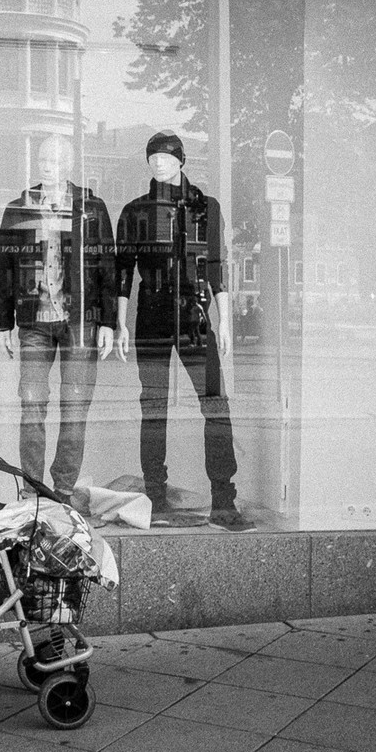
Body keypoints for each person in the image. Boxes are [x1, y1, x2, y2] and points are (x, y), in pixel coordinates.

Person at [115, 131, 254, 531]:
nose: (158, 163)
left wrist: (224, 320)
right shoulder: (136, 211)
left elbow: (215, 266)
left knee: (215, 403)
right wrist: (120, 321)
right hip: (152, 316)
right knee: (153, 406)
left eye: (165, 156)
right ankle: (155, 497)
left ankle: (224, 500)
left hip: (194, 316)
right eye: (152, 157)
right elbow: (124, 271)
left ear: (181, 160)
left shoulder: (206, 207)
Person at [0, 134, 116, 500]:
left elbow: (106, 265)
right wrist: (4, 322)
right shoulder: (19, 208)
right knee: (32, 404)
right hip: (34, 321)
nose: (48, 166)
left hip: (80, 321)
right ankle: (32, 489)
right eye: (44, 159)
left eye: (56, 160)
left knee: (75, 406)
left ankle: (62, 487)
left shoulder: (90, 208)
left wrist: (108, 321)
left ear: (69, 165)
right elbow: (4, 266)